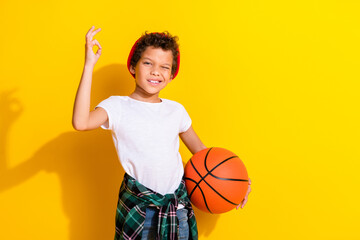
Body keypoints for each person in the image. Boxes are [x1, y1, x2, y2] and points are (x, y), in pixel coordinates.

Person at [72, 26, 251, 240]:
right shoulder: (117, 106)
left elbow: (205, 156)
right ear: (132, 67)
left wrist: (237, 183)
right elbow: (81, 122)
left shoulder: (176, 110)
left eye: (164, 67)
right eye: (148, 63)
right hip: (141, 210)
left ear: (171, 75)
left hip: (178, 209)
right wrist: (89, 65)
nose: (156, 71)